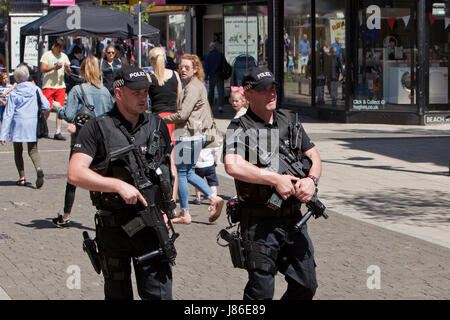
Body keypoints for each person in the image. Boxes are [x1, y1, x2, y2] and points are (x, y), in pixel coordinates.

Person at [67, 65, 177, 300]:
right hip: (115, 228)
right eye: (136, 92)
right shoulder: (96, 127)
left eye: (146, 92)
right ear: (118, 94)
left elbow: (170, 168)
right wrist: (116, 185)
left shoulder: (156, 125)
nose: (143, 97)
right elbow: (75, 173)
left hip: (152, 227)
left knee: (159, 294)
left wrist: (170, 209)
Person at [223, 67, 322, 300]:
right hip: (259, 223)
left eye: (273, 88)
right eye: (263, 90)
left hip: (293, 220)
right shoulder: (239, 127)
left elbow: (314, 157)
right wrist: (274, 178)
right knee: (261, 292)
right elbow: (232, 165)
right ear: (248, 95)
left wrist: (311, 181)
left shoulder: (289, 120)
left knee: (306, 285)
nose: (271, 94)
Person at [52, 56, 115, 228]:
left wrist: (58, 108)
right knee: (101, 177)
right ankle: (107, 214)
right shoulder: (105, 92)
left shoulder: (77, 90)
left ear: (82, 71)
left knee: (73, 178)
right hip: (102, 140)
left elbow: (69, 115)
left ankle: (66, 216)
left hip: (82, 140)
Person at [163, 54, 225, 225]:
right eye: (181, 67)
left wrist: (161, 119)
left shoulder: (193, 88)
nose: (183, 70)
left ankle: (185, 213)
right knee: (188, 171)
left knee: (182, 172)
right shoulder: (197, 85)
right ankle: (213, 198)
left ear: (195, 69)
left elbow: (183, 114)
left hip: (189, 134)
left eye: (187, 67)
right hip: (196, 134)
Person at [0, 65, 49, 188]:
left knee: (18, 151)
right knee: (33, 150)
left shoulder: (13, 92)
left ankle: (22, 177)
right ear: (28, 76)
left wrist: (3, 135)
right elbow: (46, 105)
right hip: (32, 123)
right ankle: (38, 169)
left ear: (15, 79)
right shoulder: (35, 89)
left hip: (17, 123)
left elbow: (8, 114)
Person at [147, 46, 182, 141]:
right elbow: (180, 99)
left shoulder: (149, 77)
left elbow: (144, 99)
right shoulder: (175, 74)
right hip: (174, 118)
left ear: (151, 61)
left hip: (158, 119)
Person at [40, 38, 71, 141]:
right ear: (54, 46)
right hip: (48, 85)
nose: (60, 50)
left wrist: (67, 68)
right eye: (59, 48)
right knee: (46, 107)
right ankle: (43, 127)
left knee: (60, 108)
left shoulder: (64, 56)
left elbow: (68, 72)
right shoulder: (47, 55)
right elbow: (43, 69)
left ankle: (58, 131)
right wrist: (54, 67)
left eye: (61, 48)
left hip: (60, 85)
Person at [203, 42, 225, 112]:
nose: (209, 49)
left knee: (211, 91)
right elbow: (224, 65)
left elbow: (206, 68)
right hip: (220, 75)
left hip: (212, 76)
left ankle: (210, 105)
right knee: (220, 91)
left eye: (210, 47)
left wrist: (206, 77)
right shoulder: (220, 55)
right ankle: (220, 106)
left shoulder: (208, 56)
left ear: (212, 47)